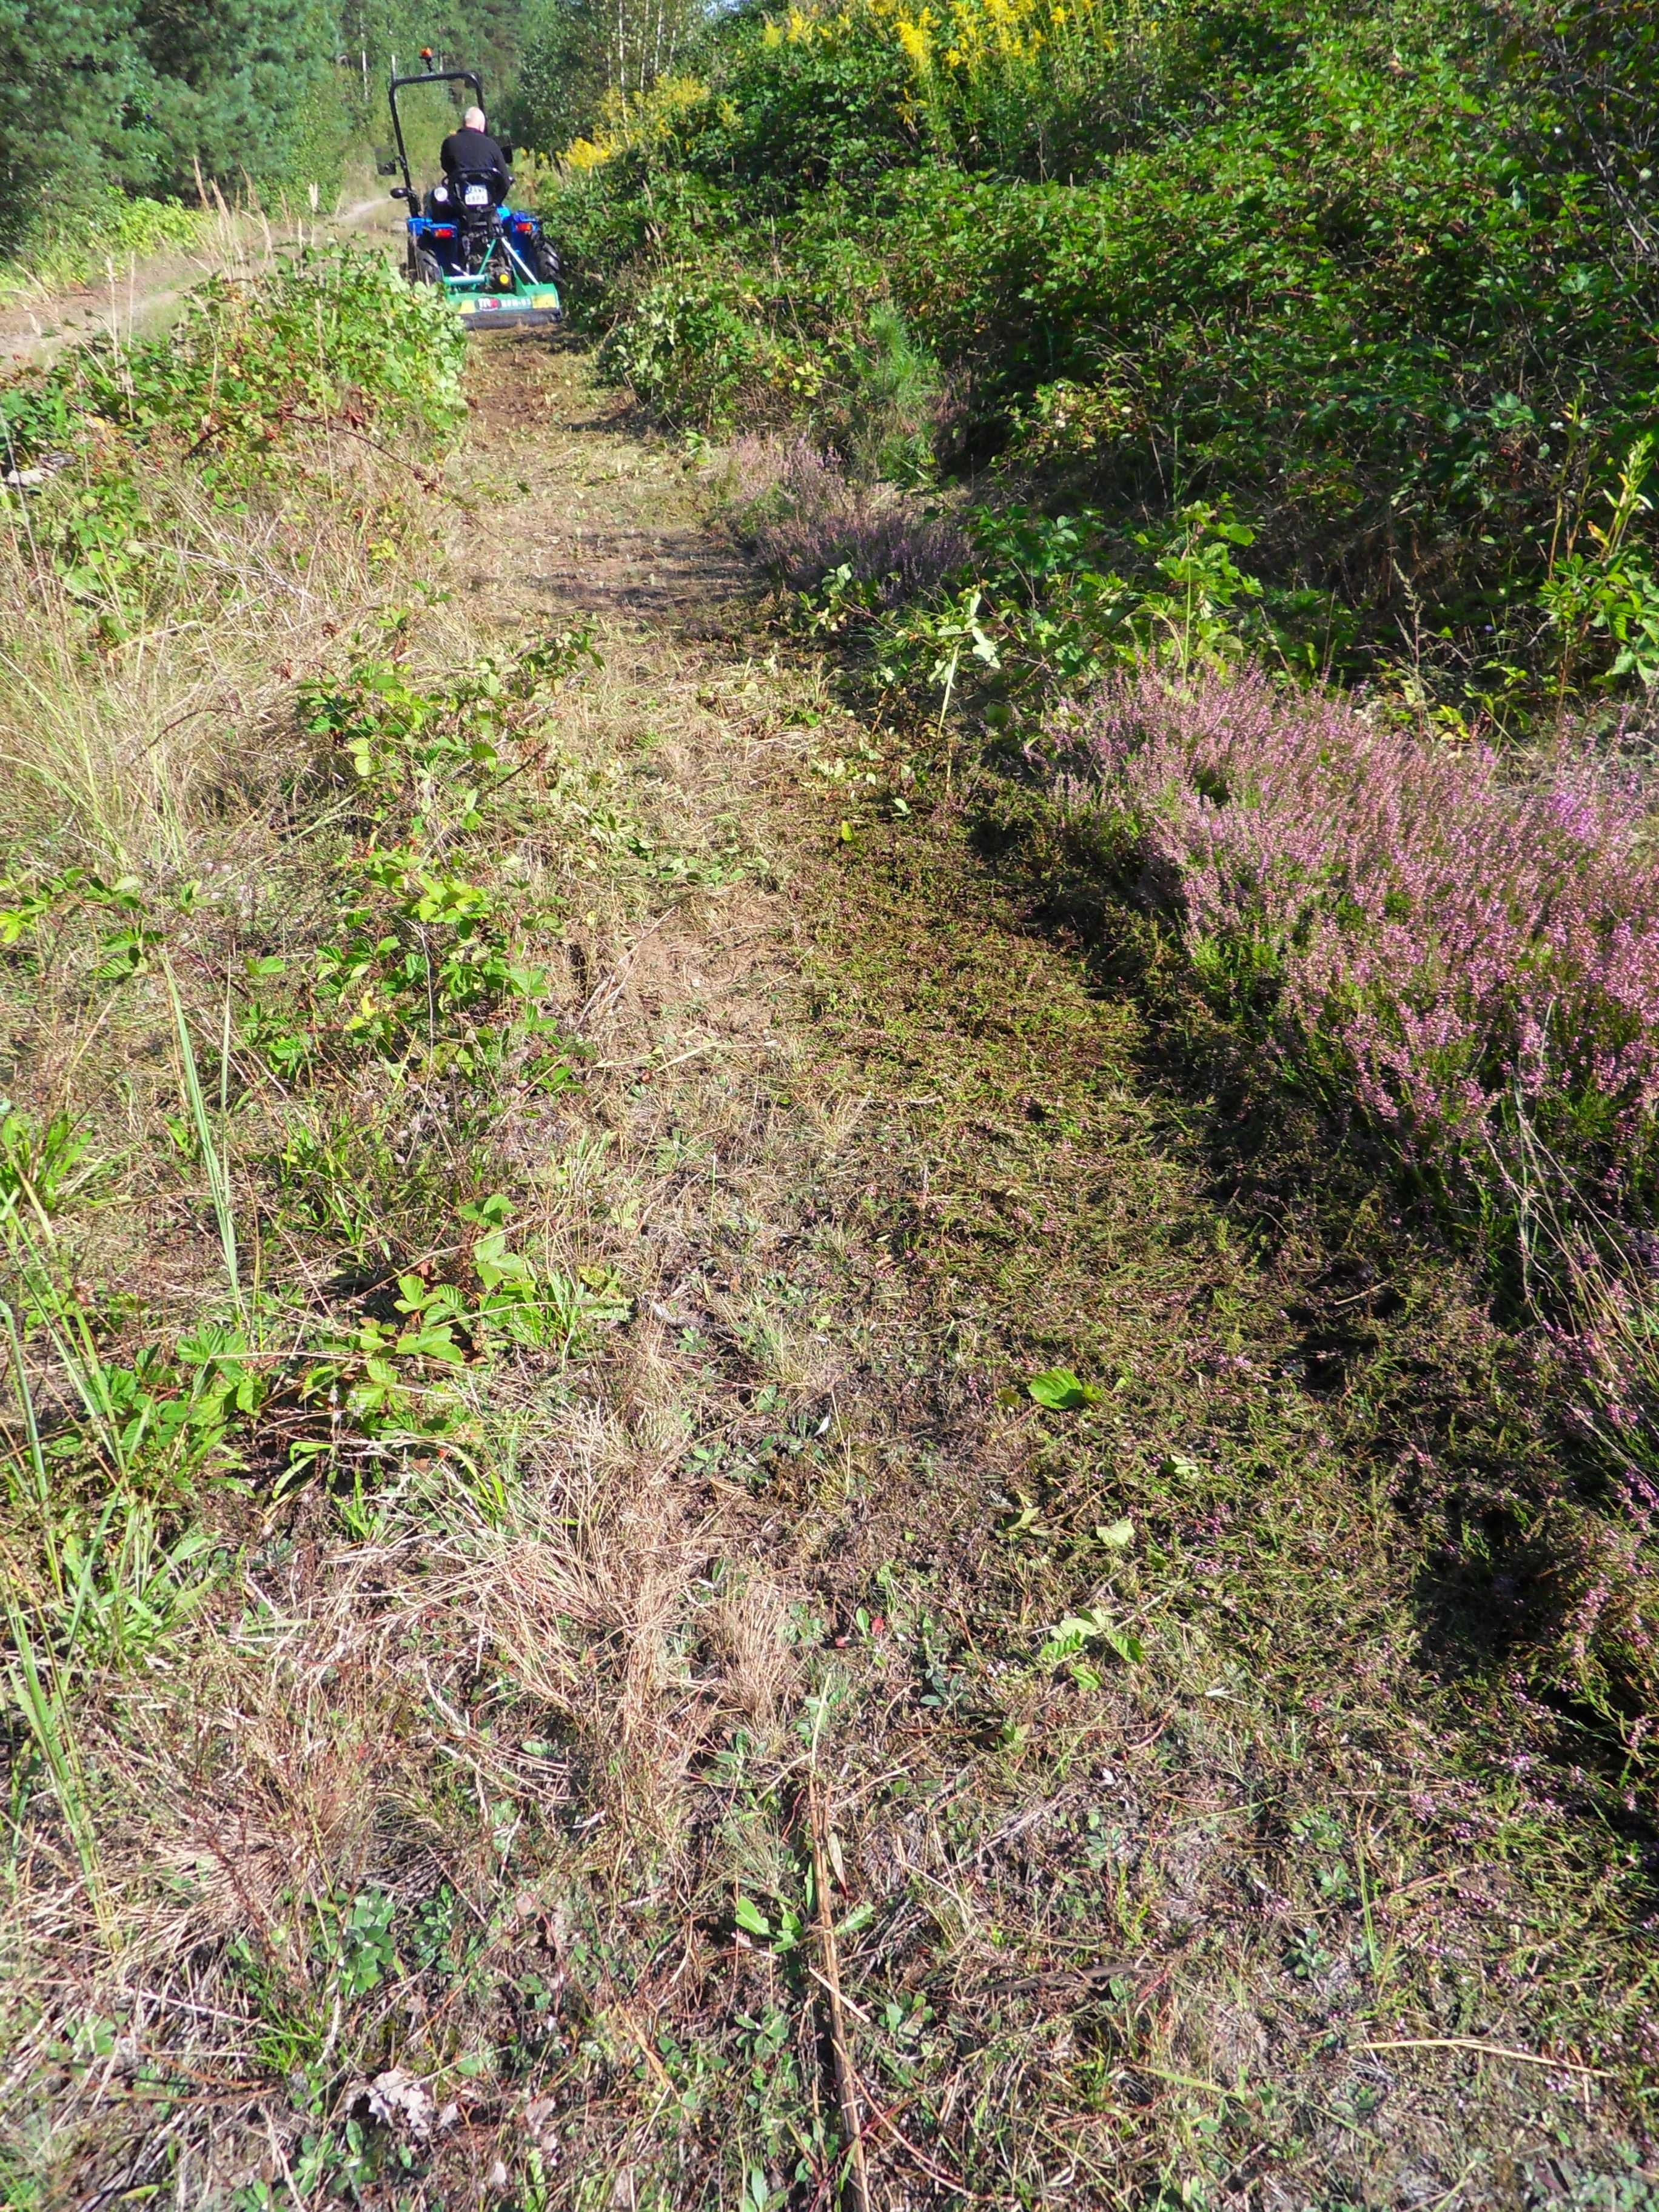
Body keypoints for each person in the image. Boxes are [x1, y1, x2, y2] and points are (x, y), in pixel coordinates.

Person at [439, 106, 510, 203]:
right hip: (488, 208)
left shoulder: (450, 143)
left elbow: (446, 167)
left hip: (459, 205)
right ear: (482, 126)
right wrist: (494, 204)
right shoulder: (492, 145)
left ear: (463, 124)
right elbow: (505, 182)